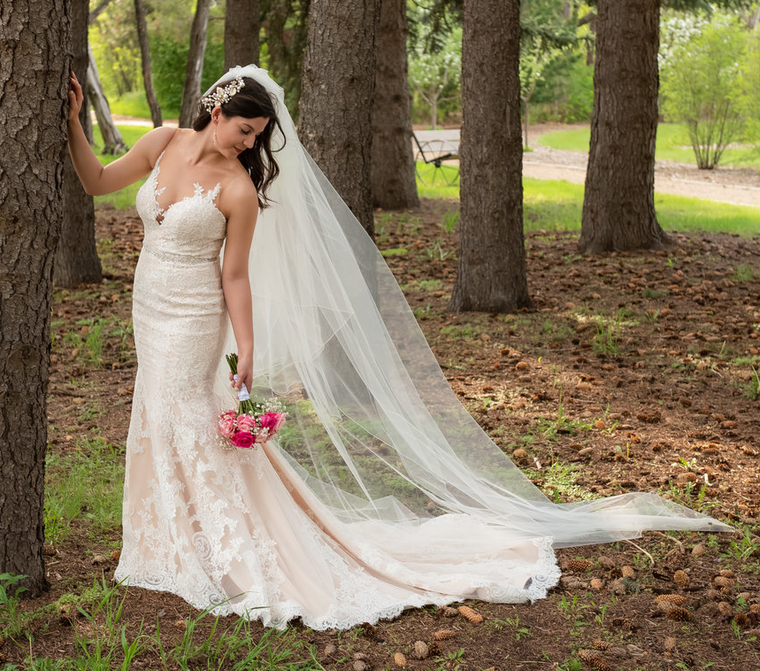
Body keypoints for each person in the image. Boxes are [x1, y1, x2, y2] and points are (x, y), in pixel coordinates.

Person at [67, 65, 732, 631]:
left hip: (194, 317)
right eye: (244, 131)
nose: (249, 145)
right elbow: (98, 179)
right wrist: (72, 120)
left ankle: (215, 549)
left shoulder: (240, 189)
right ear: (217, 109)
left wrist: (246, 356)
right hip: (148, 304)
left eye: (259, 138)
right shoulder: (163, 141)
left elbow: (235, 277)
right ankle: (167, 536)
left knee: (189, 416)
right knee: (157, 413)